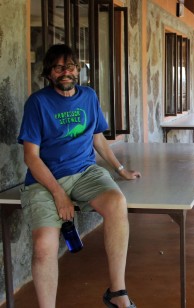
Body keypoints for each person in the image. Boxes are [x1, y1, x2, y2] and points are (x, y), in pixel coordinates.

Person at [18, 44, 141, 308]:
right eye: (59, 67)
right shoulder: (37, 103)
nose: (66, 72)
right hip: (45, 180)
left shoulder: (88, 96)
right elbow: (31, 157)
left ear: (78, 70)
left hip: (86, 172)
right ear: (49, 73)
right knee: (43, 245)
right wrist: (58, 193)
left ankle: (117, 293)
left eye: (70, 66)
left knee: (117, 203)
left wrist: (120, 170)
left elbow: (98, 137)